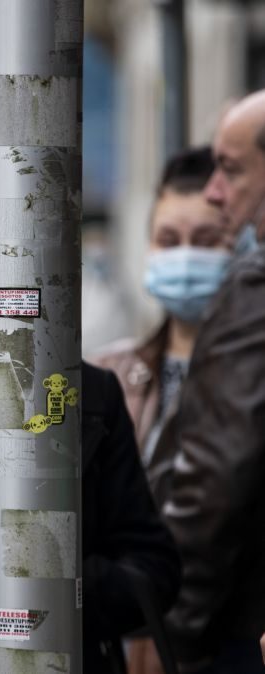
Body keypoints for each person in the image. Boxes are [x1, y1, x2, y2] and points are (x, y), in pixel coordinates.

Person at [0, 169, 181, 673]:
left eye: (35, 262)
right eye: (0, 259)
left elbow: (153, 572)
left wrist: (49, 583)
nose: (19, 283)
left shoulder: (91, 396)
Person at [151, 90, 265, 673]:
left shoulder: (254, 282)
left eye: (232, 167)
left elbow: (215, 478)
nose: (216, 190)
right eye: (168, 240)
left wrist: (174, 629)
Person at [92, 147, 230, 487]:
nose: (184, 256)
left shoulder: (250, 375)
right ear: (149, 248)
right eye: (168, 240)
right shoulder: (110, 376)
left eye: (205, 241)